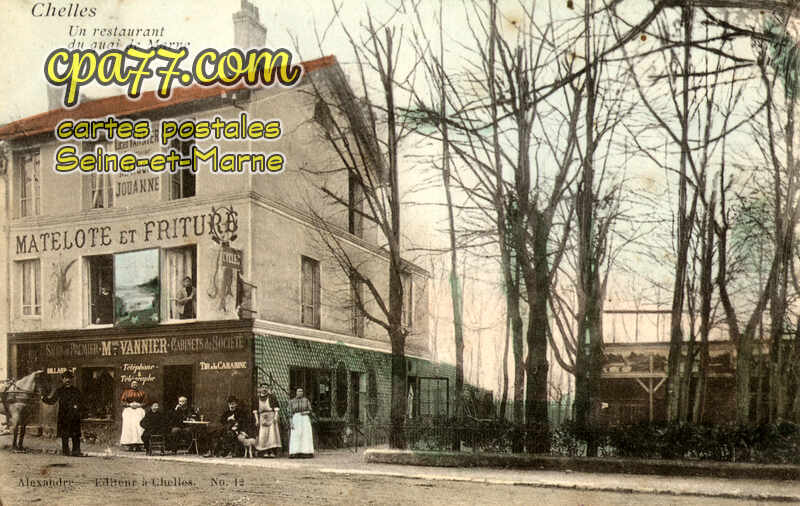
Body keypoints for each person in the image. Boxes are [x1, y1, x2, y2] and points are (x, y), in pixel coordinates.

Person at [42, 371, 84, 456]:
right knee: (64, 435)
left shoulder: (76, 391)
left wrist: (77, 408)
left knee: (75, 435)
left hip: (74, 416)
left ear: (72, 379)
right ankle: (66, 451)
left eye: (69, 378)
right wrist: (43, 398)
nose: (67, 380)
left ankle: (76, 451)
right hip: (63, 416)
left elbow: (81, 402)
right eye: (65, 378)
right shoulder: (59, 391)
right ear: (63, 379)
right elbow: (52, 400)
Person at [253, 384, 281, 457]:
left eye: (266, 387)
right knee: (263, 435)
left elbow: (276, 408)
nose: (264, 389)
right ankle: (264, 452)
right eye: (263, 387)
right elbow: (255, 410)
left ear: (268, 389)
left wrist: (275, 417)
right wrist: (256, 420)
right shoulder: (257, 398)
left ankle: (271, 452)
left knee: (271, 435)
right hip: (262, 417)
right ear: (260, 389)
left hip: (271, 417)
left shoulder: (272, 397)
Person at [119, 380, 147, 451]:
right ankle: (129, 444)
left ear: (138, 385)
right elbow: (122, 401)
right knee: (129, 427)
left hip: (138, 410)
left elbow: (145, 402)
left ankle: (139, 444)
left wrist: (139, 405)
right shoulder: (126, 392)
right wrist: (129, 404)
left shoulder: (141, 393)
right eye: (133, 384)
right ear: (131, 385)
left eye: (136, 384)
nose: (134, 385)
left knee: (138, 426)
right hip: (129, 411)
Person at [289, 387, 314, 458]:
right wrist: (291, 422)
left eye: (301, 391)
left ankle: (306, 452)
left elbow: (310, 410)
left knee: (305, 435)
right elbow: (289, 413)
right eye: (298, 391)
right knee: (296, 435)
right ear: (296, 392)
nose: (300, 393)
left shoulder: (306, 400)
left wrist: (305, 412)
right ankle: (295, 452)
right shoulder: (292, 401)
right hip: (296, 418)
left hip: (304, 419)